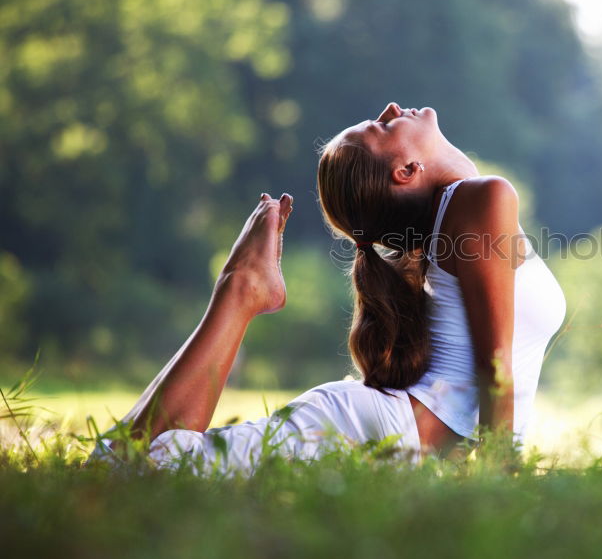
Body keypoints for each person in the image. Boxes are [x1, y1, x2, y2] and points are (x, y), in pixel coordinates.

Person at [92, 103, 566, 475]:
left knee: (140, 463)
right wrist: (501, 474)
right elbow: (496, 362)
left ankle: (240, 290)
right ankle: (240, 290)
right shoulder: (483, 198)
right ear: (405, 170)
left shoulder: (461, 214)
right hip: (372, 430)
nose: (391, 108)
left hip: (384, 434)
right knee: (129, 468)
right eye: (381, 128)